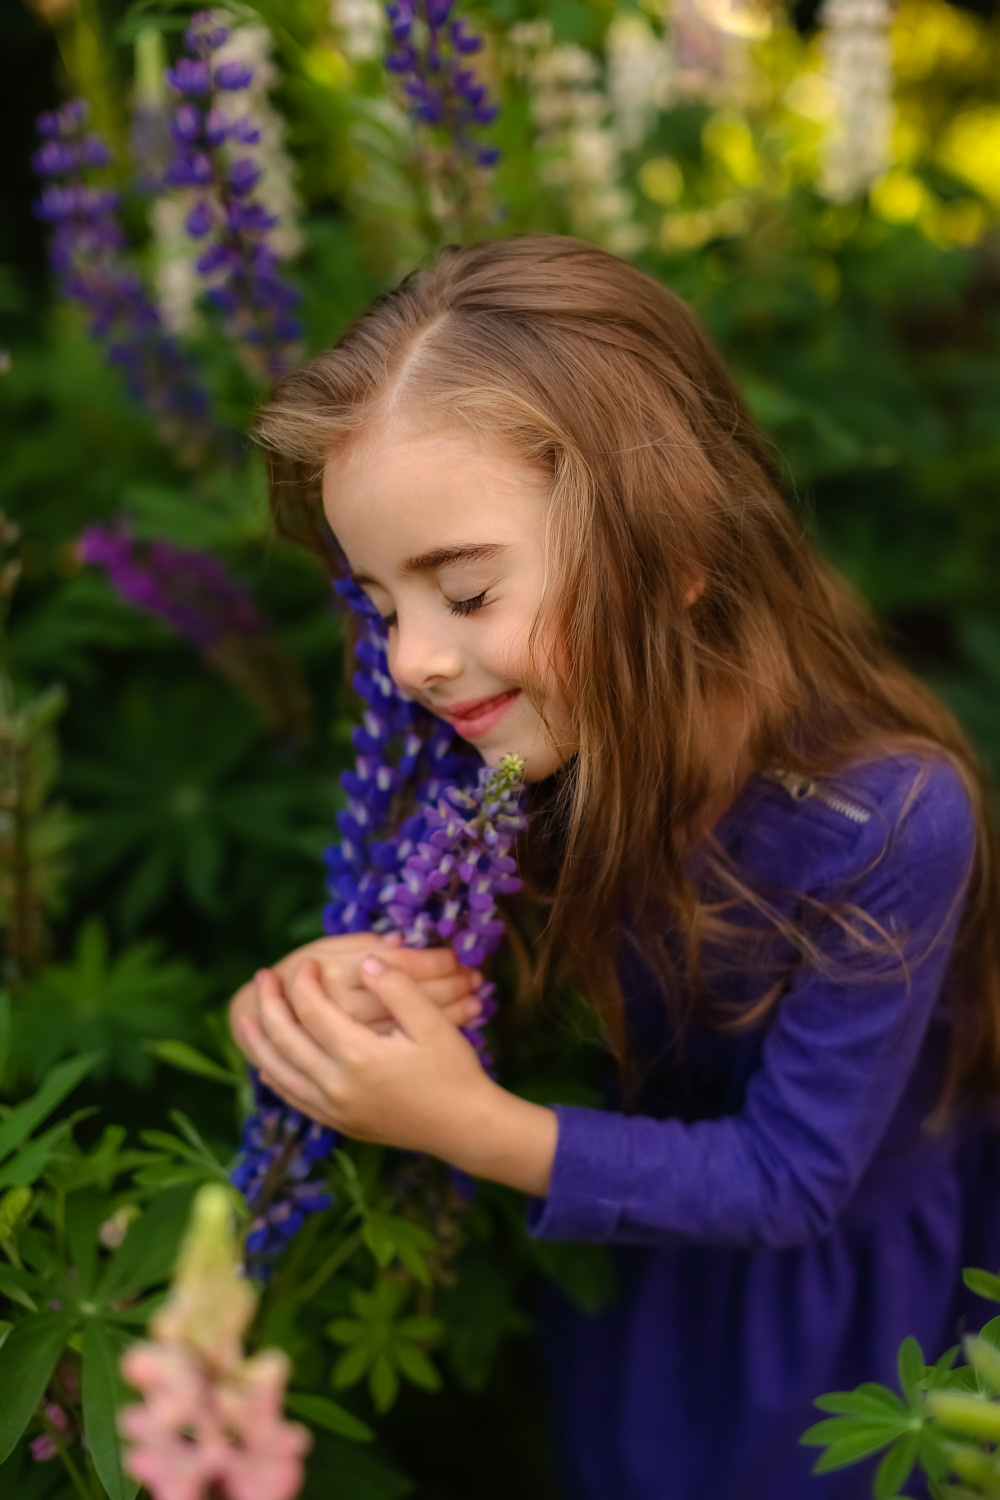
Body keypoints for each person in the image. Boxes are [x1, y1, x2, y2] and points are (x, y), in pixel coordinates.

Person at [227, 235, 1000, 1500]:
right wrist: (345, 997)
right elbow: (453, 964)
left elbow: (790, 1179)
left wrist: (463, 1123)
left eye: (464, 594)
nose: (414, 659)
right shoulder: (499, 731)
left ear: (673, 549)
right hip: (621, 1247)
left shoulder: (887, 819)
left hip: (838, 1317)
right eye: (379, 603)